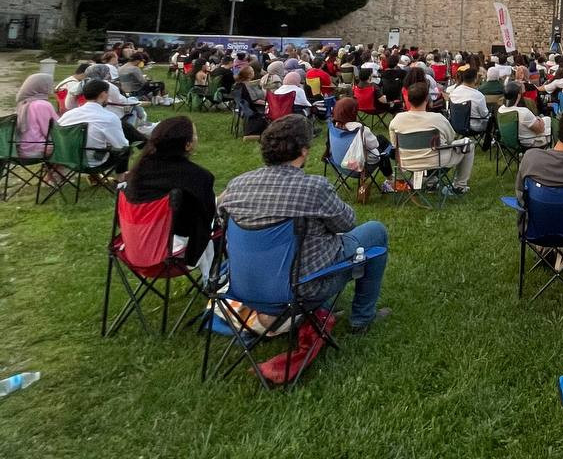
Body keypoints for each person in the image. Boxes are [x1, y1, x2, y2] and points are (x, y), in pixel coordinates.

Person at [218, 115, 389, 332]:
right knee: (375, 232)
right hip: (299, 290)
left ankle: (321, 311)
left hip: (244, 288)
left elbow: (221, 220)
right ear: (304, 151)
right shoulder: (313, 188)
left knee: (314, 241)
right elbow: (347, 223)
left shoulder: (236, 186)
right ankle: (362, 319)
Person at [125, 116, 216, 278]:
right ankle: (214, 279)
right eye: (195, 135)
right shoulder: (198, 177)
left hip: (134, 246)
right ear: (187, 145)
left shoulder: (138, 172)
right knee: (224, 226)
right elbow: (206, 220)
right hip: (173, 253)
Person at [389, 82, 474, 194]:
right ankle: (459, 186)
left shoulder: (397, 120)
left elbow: (395, 144)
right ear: (427, 99)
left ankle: (430, 181)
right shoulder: (437, 119)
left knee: (435, 150)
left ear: (408, 100)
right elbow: (451, 138)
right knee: (468, 144)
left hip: (408, 162)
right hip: (435, 161)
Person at [57, 78, 131, 175]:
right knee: (125, 149)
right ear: (103, 94)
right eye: (107, 93)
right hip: (93, 163)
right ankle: (121, 179)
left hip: (67, 160)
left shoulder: (68, 115)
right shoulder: (109, 117)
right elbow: (121, 145)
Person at [331, 97, 396, 192]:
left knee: (380, 140)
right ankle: (391, 176)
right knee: (382, 148)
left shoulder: (333, 128)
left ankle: (394, 157)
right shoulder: (360, 130)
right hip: (359, 168)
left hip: (340, 165)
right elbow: (375, 144)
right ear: (353, 112)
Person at [14, 73, 57, 158]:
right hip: (36, 149)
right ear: (41, 86)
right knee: (68, 145)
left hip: (20, 148)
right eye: (50, 84)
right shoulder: (42, 104)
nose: (53, 86)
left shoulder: (23, 102)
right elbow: (53, 131)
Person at [497, 81, 549, 149]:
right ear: (518, 95)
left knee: (546, 120)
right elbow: (540, 130)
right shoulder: (523, 112)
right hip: (530, 142)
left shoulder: (500, 110)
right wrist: (540, 120)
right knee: (549, 122)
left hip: (514, 140)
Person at [448, 65, 491, 134]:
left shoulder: (454, 92)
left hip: (455, 124)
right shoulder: (478, 96)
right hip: (472, 127)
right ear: (475, 79)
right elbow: (484, 115)